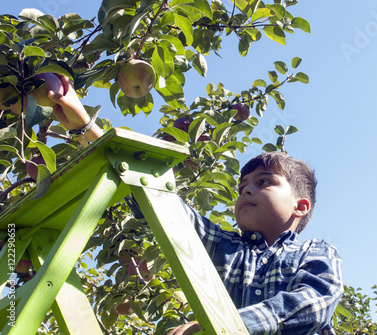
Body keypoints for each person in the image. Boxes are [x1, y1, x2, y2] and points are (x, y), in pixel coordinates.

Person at [48, 75, 344, 334]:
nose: (247, 192)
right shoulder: (223, 246)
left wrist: (224, 324)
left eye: (264, 182)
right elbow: (153, 199)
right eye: (242, 188)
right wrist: (86, 127)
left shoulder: (314, 251)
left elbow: (313, 304)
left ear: (300, 206)